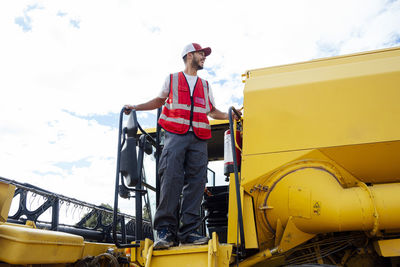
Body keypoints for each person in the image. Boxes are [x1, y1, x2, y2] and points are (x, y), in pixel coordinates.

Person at [124, 43, 239, 249]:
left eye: (205, 54)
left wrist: (230, 114)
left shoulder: (205, 85)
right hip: (175, 136)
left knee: (196, 183)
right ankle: (166, 231)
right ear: (189, 55)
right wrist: (136, 107)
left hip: (199, 138)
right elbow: (159, 101)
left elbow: (212, 111)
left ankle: (189, 232)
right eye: (201, 53)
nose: (204, 57)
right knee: (171, 179)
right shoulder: (172, 79)